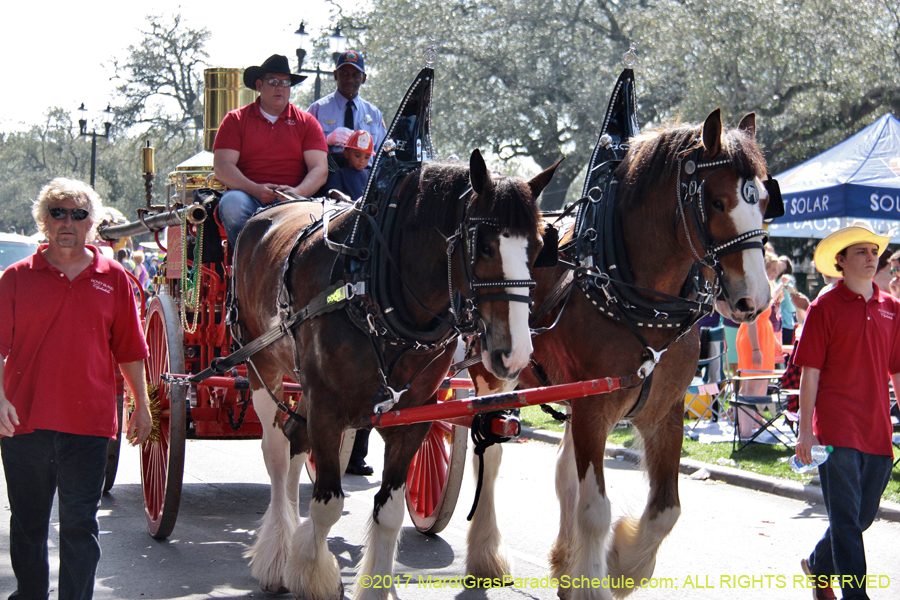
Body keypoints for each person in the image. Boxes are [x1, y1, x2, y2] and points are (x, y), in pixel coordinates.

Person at [0, 177, 152, 600]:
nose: (68, 221)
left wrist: (142, 405)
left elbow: (130, 350)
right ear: (44, 221)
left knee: (80, 526)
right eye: (58, 212)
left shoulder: (115, 278)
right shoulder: (14, 278)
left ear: (92, 222)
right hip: (23, 423)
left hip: (88, 426)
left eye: (79, 213)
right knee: (28, 526)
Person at [794, 224, 899, 600]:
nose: (872, 259)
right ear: (841, 261)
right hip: (836, 427)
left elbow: (898, 369)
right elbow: (810, 373)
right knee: (846, 519)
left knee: (861, 517)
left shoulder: (893, 308)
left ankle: (820, 565)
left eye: (874, 253)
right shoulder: (823, 307)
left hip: (877, 428)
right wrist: (805, 432)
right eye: (862, 253)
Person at [213, 54, 329, 247]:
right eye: (273, 81)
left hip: (295, 200)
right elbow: (222, 167)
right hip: (247, 196)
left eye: (285, 83)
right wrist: (255, 189)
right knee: (232, 204)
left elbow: (319, 169)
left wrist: (296, 193)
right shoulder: (235, 120)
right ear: (259, 86)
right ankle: (247, 265)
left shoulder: (307, 123)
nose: (280, 87)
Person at [307, 50, 386, 170]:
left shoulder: (374, 114)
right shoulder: (318, 109)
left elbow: (383, 155)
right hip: (328, 175)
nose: (349, 79)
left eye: (355, 75)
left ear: (364, 78)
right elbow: (303, 147)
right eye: (344, 74)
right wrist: (326, 140)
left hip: (364, 179)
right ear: (335, 75)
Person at [325, 130, 375, 201]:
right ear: (346, 153)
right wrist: (341, 197)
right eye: (357, 155)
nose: (362, 160)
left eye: (367, 157)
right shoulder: (341, 173)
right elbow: (332, 191)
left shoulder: (370, 175)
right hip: (347, 209)